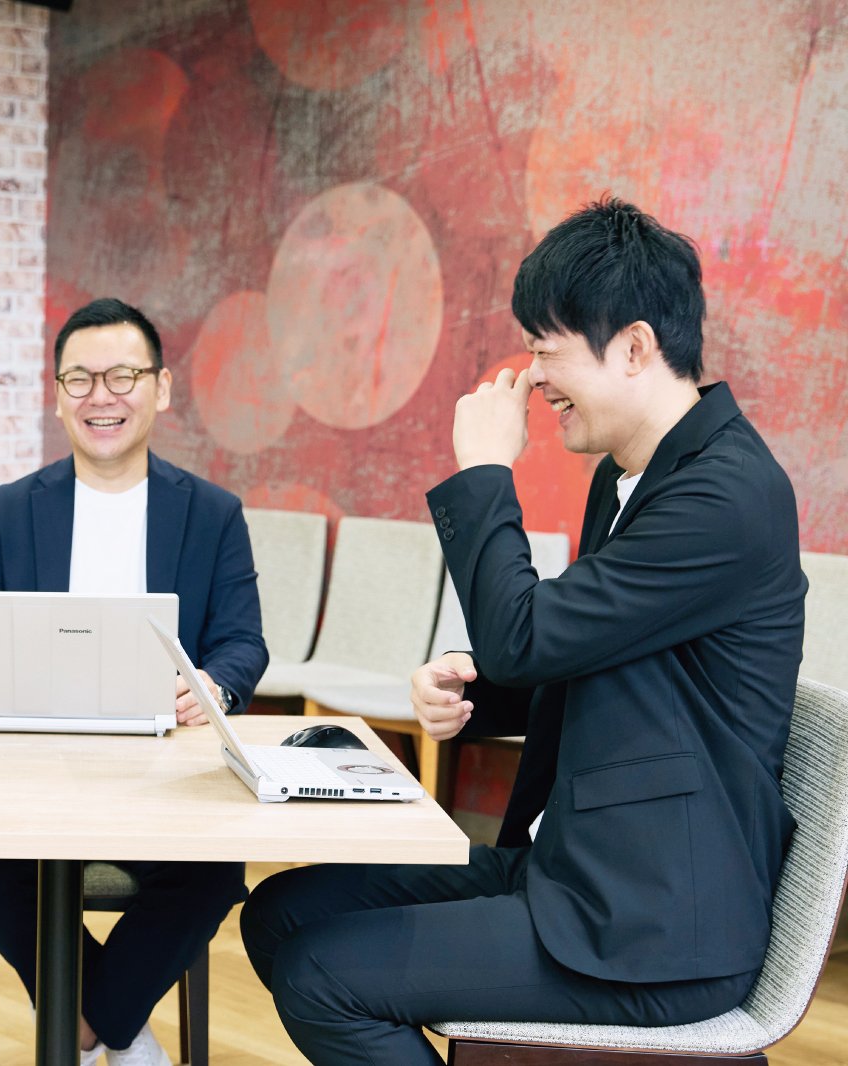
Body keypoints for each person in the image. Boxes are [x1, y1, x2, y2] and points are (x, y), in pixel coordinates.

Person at [239, 198, 807, 1064]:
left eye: (547, 348)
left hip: (656, 924)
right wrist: (476, 686)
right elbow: (584, 651)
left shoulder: (726, 494)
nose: (533, 375)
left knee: (322, 974)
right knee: (281, 914)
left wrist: (484, 470)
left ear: (634, 348)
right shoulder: (632, 475)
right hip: (578, 867)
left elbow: (529, 637)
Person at [0, 297, 269, 1066]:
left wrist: (213, 686)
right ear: (58, 396)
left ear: (161, 388)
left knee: (212, 875)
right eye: (79, 379)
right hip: (30, 771)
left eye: (123, 375)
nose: (101, 396)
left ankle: (83, 1033)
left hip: (164, 774)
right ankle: (123, 1035)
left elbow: (242, 642)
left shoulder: (213, 514)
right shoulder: (8, 511)